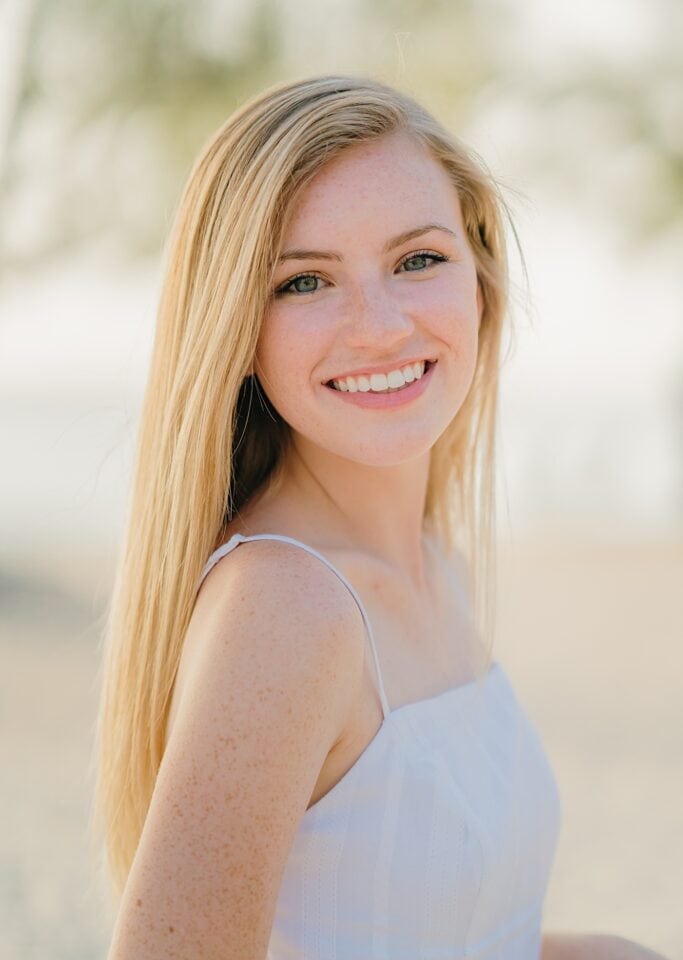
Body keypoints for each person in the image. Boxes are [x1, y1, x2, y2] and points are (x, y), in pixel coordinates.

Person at [93, 75, 668, 959]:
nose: (379, 326)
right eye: (305, 281)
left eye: (416, 261)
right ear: (236, 332)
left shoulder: (435, 563)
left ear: (478, 277)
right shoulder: (287, 607)